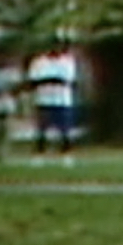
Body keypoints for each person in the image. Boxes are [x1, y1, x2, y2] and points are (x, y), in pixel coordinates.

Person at [26, 34, 81, 165]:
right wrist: (51, 80)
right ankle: (38, 156)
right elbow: (34, 81)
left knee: (65, 131)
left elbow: (68, 80)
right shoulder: (39, 62)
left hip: (62, 101)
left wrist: (49, 80)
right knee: (41, 131)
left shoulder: (67, 61)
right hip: (43, 100)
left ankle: (66, 155)